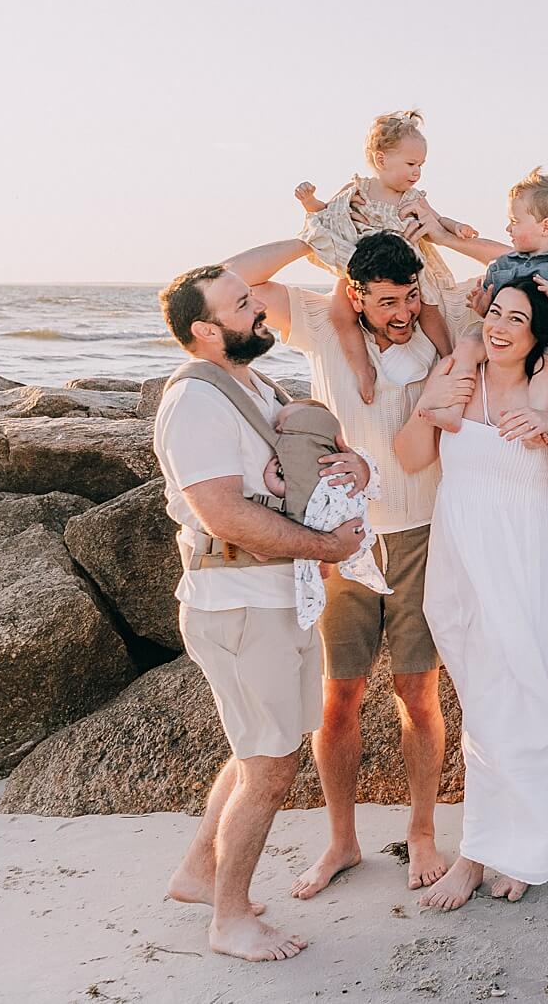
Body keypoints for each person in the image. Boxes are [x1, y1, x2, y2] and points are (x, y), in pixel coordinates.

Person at [220, 231, 463, 899]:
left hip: (421, 535)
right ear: (354, 292)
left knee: (418, 692)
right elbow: (224, 280)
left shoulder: (433, 328)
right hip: (340, 540)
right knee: (338, 700)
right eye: (386, 300)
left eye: (409, 295)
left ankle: (421, 831)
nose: (402, 311)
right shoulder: (321, 327)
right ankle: (342, 841)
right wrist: (312, 238)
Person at [150, 262, 371, 963]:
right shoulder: (195, 401)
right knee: (272, 769)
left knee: (257, 752)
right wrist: (325, 543)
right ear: (204, 331)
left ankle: (200, 871)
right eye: (241, 304)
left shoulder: (255, 383)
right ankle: (231, 918)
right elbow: (223, 512)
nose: (258, 308)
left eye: (252, 298)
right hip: (238, 604)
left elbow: (309, 453)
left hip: (277, 598)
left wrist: (354, 466)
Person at [394, 277, 548, 909]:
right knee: (485, 704)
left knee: (519, 696)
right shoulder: (460, 376)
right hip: (457, 559)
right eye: (495, 313)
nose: (500, 326)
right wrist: (428, 411)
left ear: (537, 333)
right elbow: (411, 457)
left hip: (519, 557)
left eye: (517, 319)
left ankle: (482, 854)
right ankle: (520, 839)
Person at [295, 109, 471, 403]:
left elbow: (438, 221)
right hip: (361, 265)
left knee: (428, 307)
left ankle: (448, 357)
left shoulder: (413, 198)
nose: (417, 172)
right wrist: (310, 201)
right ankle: (363, 369)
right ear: (381, 160)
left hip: (407, 266)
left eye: (422, 165)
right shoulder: (358, 190)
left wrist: (457, 227)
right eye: (411, 164)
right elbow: (328, 215)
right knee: (341, 313)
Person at [425, 166, 548, 412]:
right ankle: (451, 408)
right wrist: (483, 308)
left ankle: (536, 417)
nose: (507, 229)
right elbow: (495, 313)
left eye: (514, 222)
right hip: (505, 338)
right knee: (469, 345)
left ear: (545, 227)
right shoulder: (502, 264)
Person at [261, 398, 392, 628]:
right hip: (319, 536)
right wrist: (278, 486)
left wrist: (364, 470)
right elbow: (296, 493)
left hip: (347, 528)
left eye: (287, 423)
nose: (279, 429)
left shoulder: (347, 457)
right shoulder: (293, 463)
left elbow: (373, 486)